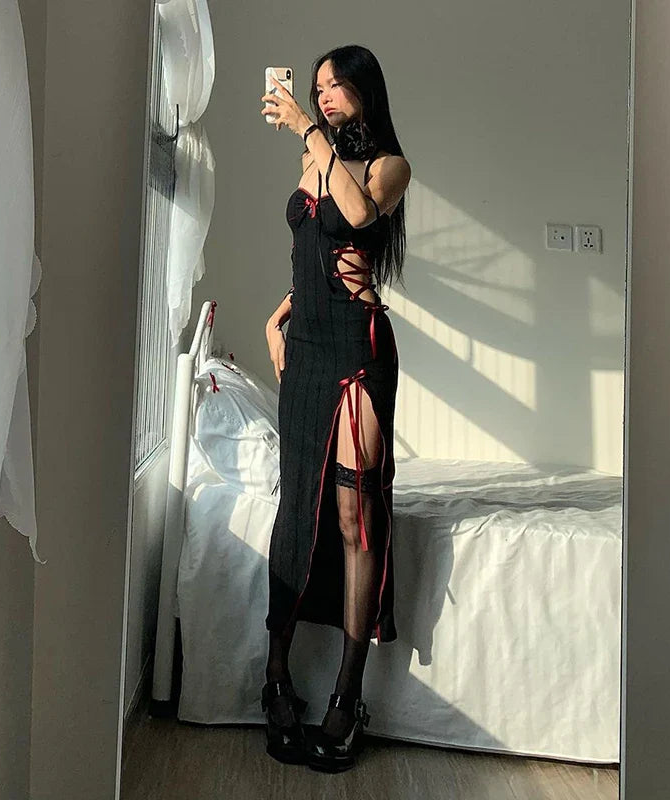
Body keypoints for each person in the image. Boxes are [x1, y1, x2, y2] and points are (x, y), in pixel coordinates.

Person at [260, 44, 411, 773]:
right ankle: (274, 679)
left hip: (358, 349)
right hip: (308, 348)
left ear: (364, 91)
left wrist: (309, 133)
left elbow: (353, 213)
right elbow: (311, 250)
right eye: (315, 87)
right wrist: (278, 318)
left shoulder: (389, 166)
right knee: (296, 508)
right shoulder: (312, 157)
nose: (321, 96)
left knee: (357, 517)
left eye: (334, 85)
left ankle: (348, 700)